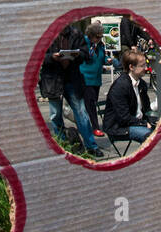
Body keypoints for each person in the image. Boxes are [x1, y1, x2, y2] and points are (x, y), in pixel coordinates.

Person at [40, 25, 103, 159]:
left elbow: (86, 55)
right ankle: (63, 145)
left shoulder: (75, 33)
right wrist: (52, 57)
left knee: (81, 112)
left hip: (72, 78)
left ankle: (91, 145)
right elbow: (38, 57)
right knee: (55, 114)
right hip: (53, 79)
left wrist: (77, 54)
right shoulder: (46, 35)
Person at [103, 50, 154, 143]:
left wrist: (152, 121)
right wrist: (143, 123)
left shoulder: (141, 83)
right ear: (131, 67)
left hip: (136, 122)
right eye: (142, 66)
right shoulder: (120, 86)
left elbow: (147, 109)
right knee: (151, 137)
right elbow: (123, 118)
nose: (146, 68)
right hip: (119, 127)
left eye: (145, 65)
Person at [80, 22, 108, 138]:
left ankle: (87, 124)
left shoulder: (100, 45)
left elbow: (102, 58)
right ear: (91, 35)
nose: (99, 38)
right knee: (90, 104)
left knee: (93, 102)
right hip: (86, 78)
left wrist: (107, 60)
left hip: (96, 79)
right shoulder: (84, 43)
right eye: (98, 36)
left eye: (101, 36)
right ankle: (95, 127)